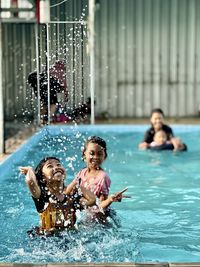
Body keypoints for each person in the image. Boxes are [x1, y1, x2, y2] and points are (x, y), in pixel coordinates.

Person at [19, 157, 96, 236]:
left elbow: (92, 200)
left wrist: (78, 186)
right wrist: (30, 170)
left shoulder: (71, 196)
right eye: (50, 166)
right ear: (43, 178)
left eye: (58, 165)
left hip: (71, 236)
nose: (56, 167)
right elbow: (30, 181)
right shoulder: (42, 196)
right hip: (47, 239)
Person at [67, 136, 128, 223]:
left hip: (97, 220)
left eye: (99, 154)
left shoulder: (102, 177)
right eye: (92, 153)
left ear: (105, 156)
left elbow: (102, 206)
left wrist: (110, 200)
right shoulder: (81, 173)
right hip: (84, 215)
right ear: (84, 155)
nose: (95, 157)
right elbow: (68, 192)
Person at [28, 60, 68, 124]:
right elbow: (64, 85)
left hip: (40, 86)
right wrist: (66, 94)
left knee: (44, 103)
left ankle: (40, 119)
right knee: (54, 103)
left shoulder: (50, 69)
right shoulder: (61, 72)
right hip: (50, 87)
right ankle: (47, 119)